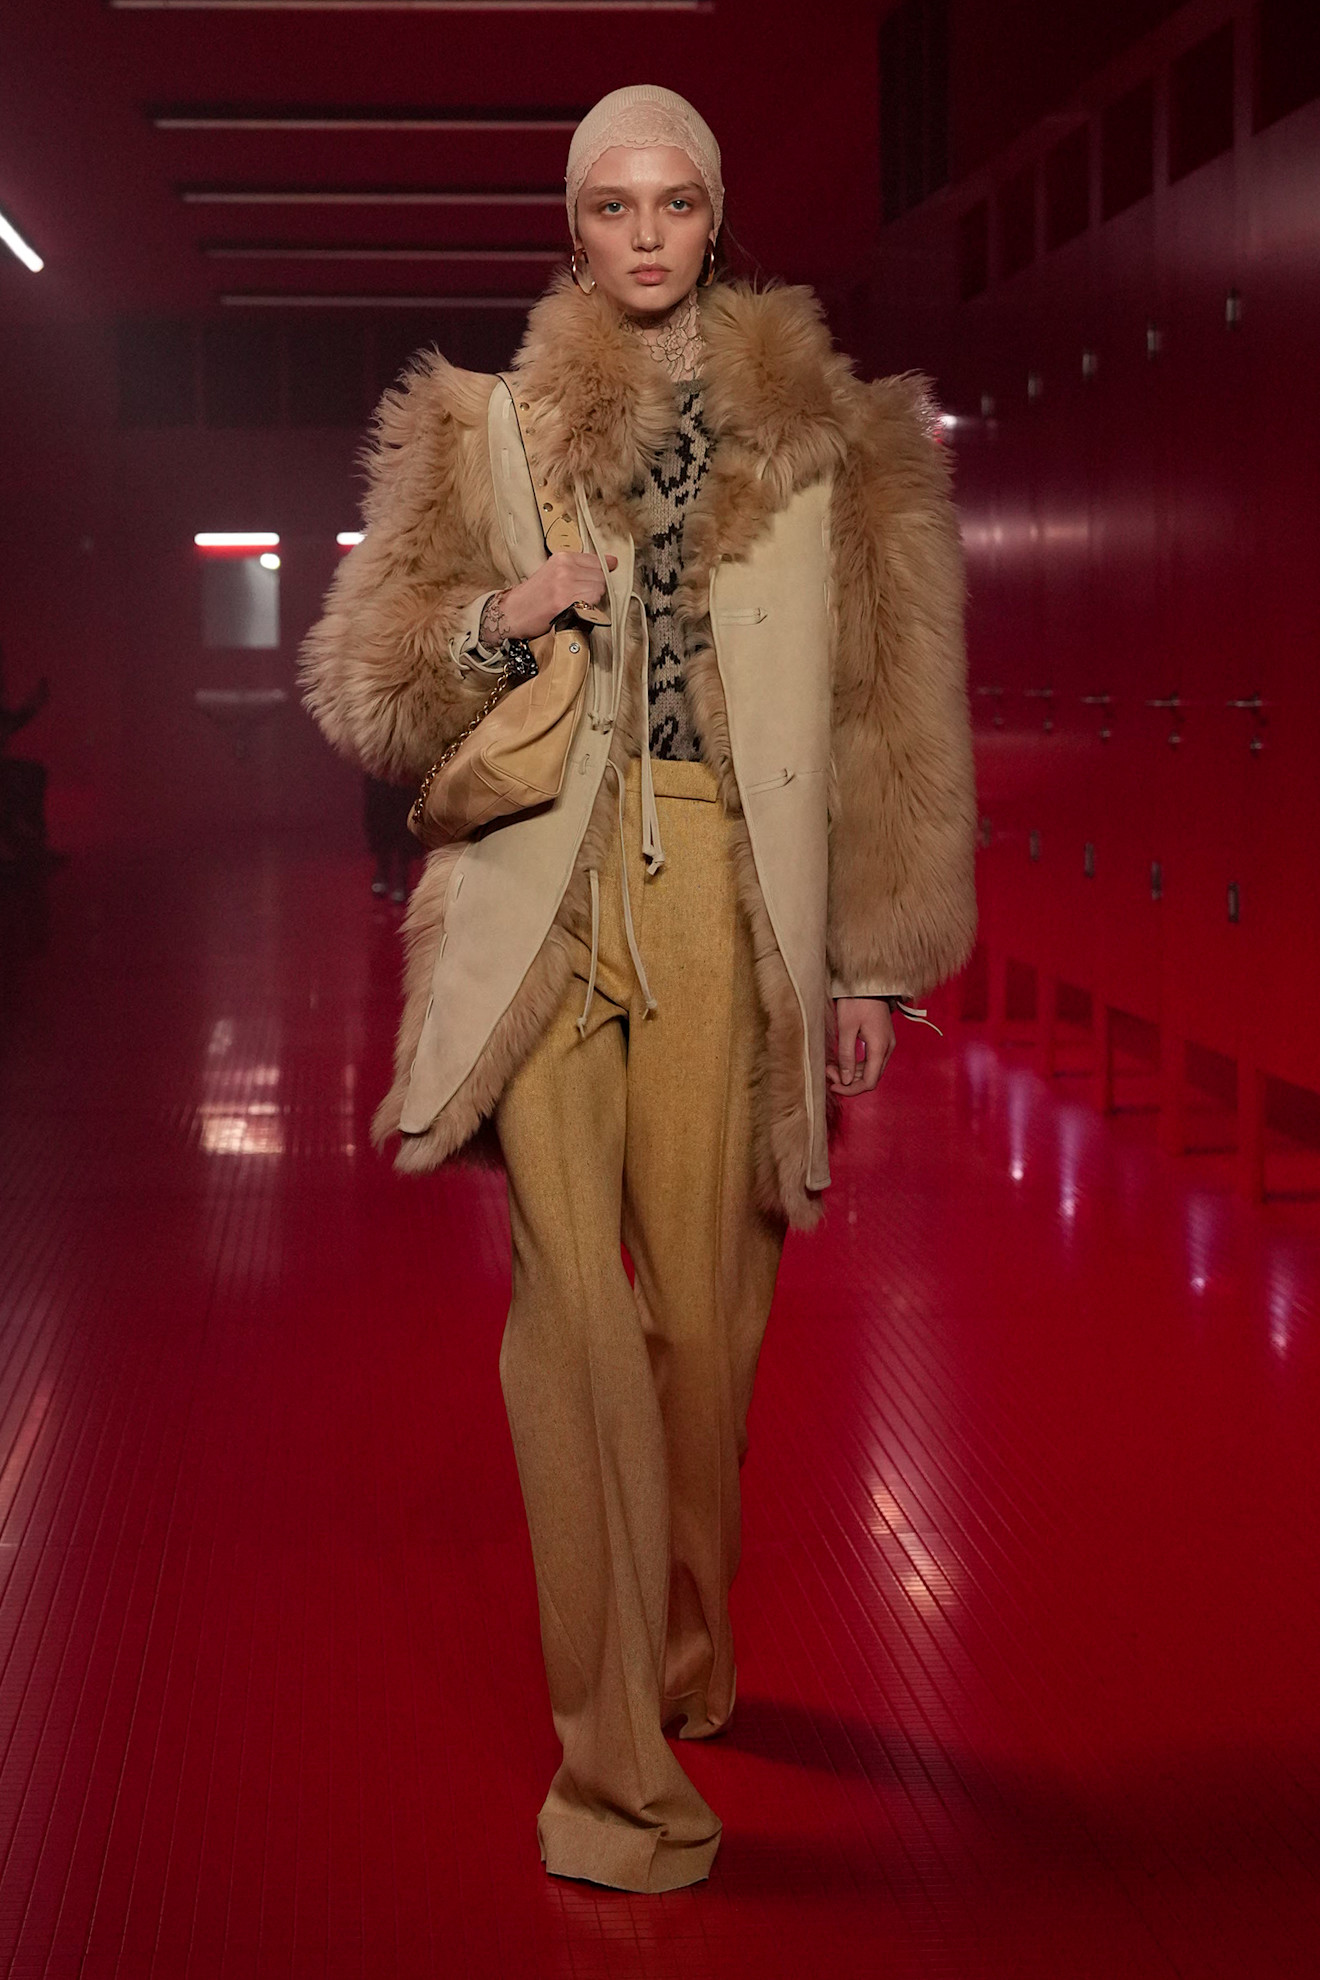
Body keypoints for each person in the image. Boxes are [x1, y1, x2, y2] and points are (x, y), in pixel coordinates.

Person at [301, 84, 976, 1894]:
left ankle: (689, 1638)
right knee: (571, 1333)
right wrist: (496, 618)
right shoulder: (487, 426)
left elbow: (883, 718)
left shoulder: (839, 441)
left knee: (701, 1331)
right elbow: (367, 690)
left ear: (717, 220)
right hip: (543, 885)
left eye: (680, 203)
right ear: (574, 229)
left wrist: (867, 964)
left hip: (728, 902)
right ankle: (612, 1786)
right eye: (616, 205)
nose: (650, 234)